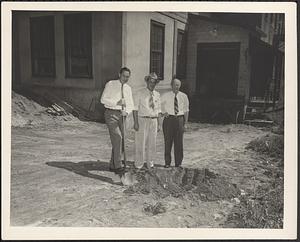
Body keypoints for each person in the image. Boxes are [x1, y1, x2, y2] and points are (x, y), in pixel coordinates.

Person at [100, 67, 134, 173]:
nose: (125, 78)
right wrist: (116, 102)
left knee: (121, 140)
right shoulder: (110, 84)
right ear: (119, 74)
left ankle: (113, 164)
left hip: (122, 115)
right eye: (124, 76)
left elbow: (131, 104)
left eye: (128, 77)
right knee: (118, 137)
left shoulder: (128, 88)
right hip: (111, 114)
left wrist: (127, 112)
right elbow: (103, 99)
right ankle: (119, 166)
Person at [133, 72, 162, 169]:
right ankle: (139, 164)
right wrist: (136, 122)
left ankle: (150, 163)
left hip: (153, 121)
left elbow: (158, 110)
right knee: (140, 143)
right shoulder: (140, 93)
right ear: (147, 82)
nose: (152, 84)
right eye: (151, 82)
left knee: (152, 143)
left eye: (154, 82)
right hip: (142, 120)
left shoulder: (157, 94)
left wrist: (159, 124)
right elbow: (135, 109)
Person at [161, 78, 189, 168]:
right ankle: (167, 162)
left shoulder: (184, 96)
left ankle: (178, 163)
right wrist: (163, 111)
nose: (176, 87)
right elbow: (158, 105)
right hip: (169, 119)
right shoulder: (165, 95)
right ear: (171, 85)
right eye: (175, 85)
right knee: (168, 141)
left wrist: (185, 123)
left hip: (179, 119)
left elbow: (186, 110)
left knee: (179, 142)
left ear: (180, 86)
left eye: (178, 85)